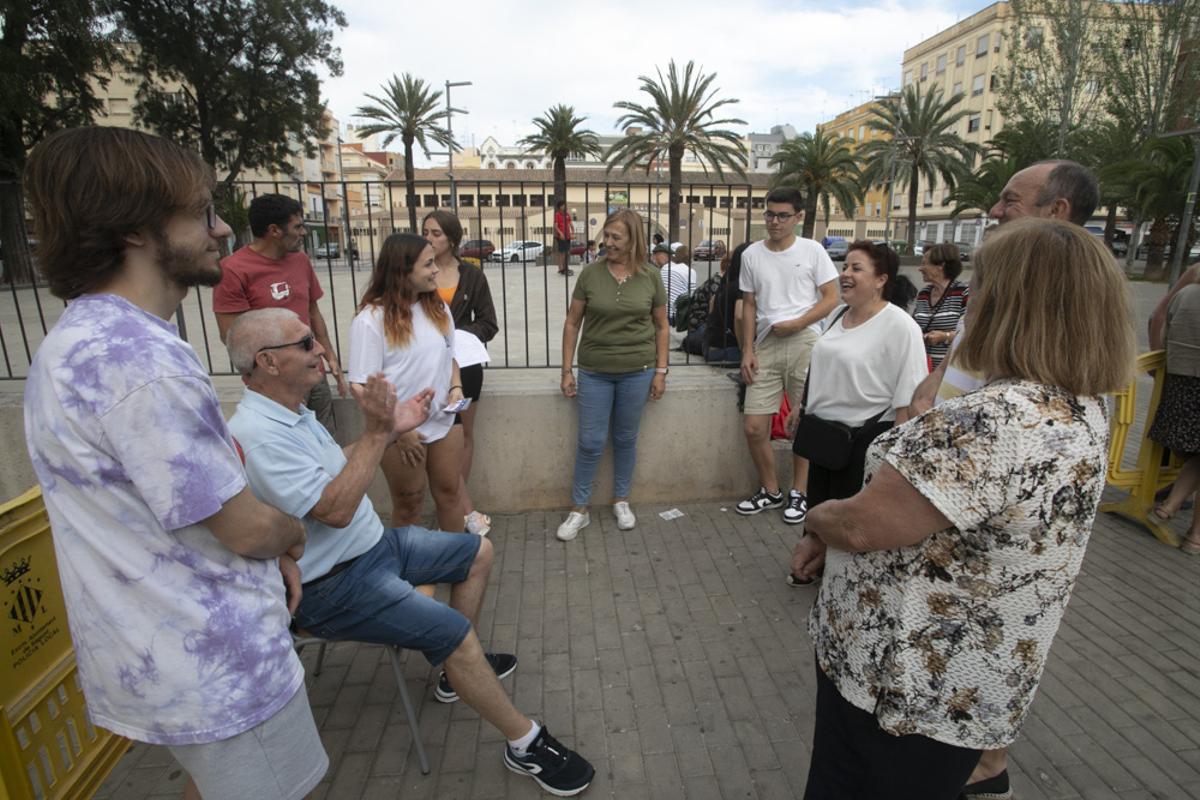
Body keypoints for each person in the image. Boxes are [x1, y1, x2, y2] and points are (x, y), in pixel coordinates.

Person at [22, 126, 322, 800]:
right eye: (199, 212)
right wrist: (293, 535)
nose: (219, 230)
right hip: (216, 665)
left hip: (163, 654)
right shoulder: (139, 360)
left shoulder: (77, 340)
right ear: (134, 230)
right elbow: (245, 528)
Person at [794, 219, 1136, 799]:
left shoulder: (993, 419)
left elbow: (861, 525)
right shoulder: (1081, 407)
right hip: (975, 680)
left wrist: (817, 517)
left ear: (1008, 304)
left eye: (983, 289)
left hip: (904, 687)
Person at [225, 309, 595, 797]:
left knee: (477, 552)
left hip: (373, 549)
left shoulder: (290, 413)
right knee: (458, 634)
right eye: (307, 341)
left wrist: (394, 427)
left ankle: (452, 671)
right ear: (269, 362)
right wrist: (379, 434)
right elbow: (334, 509)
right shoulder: (260, 433)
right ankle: (523, 741)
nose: (321, 349)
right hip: (333, 584)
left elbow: (335, 468)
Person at [903, 159, 1099, 800]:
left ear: (1057, 211)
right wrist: (927, 397)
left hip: (988, 495)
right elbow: (961, 356)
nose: (995, 210)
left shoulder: (1067, 296)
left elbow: (1038, 423)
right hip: (950, 469)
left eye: (1011, 200)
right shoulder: (1003, 278)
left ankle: (986, 766)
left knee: (995, 629)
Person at [783, 241, 925, 586]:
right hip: (823, 437)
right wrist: (801, 405)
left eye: (856, 268)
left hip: (864, 440)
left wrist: (895, 457)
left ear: (881, 279)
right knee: (818, 512)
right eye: (844, 267)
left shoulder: (900, 326)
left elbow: (910, 396)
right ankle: (813, 563)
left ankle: (845, 581)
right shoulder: (836, 315)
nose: (844, 274)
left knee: (849, 520)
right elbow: (821, 365)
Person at [557, 209, 669, 541]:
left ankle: (621, 499)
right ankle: (579, 509)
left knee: (624, 439)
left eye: (615, 237)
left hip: (638, 371)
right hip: (594, 371)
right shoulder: (590, 274)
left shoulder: (651, 276)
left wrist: (661, 371)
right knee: (590, 442)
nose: (607, 242)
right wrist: (566, 370)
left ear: (633, 240)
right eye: (606, 235)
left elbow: (662, 326)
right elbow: (572, 323)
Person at [348, 233, 466, 533]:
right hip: (401, 431)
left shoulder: (438, 308)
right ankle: (410, 573)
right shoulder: (371, 319)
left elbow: (451, 357)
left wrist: (456, 387)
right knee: (409, 502)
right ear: (403, 270)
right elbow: (360, 387)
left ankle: (456, 564)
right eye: (428, 264)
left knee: (451, 494)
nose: (436, 270)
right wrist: (399, 429)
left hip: (444, 418)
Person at [737, 187, 840, 525]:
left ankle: (801, 492)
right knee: (754, 426)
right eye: (769, 214)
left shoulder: (812, 251)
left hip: (806, 341)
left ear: (798, 217)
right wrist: (747, 350)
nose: (774, 221)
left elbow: (831, 297)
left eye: (782, 215)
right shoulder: (752, 254)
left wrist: (798, 322)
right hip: (765, 345)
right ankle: (770, 490)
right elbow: (748, 304)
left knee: (804, 425)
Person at [213, 192, 347, 431]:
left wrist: (331, 358)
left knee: (327, 441)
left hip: (313, 372)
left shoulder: (300, 261)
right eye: (298, 227)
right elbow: (232, 336)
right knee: (292, 447)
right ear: (274, 230)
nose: (303, 233)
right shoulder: (233, 270)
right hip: (276, 384)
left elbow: (313, 313)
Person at [424, 210, 499, 536]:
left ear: (452, 240)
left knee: (462, 437)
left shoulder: (472, 276)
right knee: (437, 438)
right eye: (425, 232)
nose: (429, 238)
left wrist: (459, 334)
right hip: (426, 370)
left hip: (465, 370)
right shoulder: (414, 273)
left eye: (436, 233)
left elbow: (489, 323)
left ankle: (454, 504)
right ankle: (464, 510)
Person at [1148, 282, 1200, 554]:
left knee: (1195, 456)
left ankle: (1169, 507)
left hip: (1179, 386)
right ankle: (1195, 536)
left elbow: (1162, 324)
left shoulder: (1186, 293)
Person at [911, 243, 969, 369]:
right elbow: (913, 326)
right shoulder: (924, 294)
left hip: (949, 371)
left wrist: (945, 337)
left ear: (940, 266)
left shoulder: (963, 292)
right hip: (922, 367)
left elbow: (972, 333)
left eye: (925, 263)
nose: (920, 268)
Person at [704, 242, 749, 364]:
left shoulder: (728, 280)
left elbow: (712, 302)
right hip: (727, 350)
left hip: (711, 346)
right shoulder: (742, 285)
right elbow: (739, 316)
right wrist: (745, 350)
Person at [661, 245, 698, 327]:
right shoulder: (689, 271)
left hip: (661, 313)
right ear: (689, 258)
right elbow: (691, 296)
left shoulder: (665, 268)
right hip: (676, 316)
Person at [554, 199, 574, 277]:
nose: (565, 206)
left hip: (567, 236)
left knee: (567, 252)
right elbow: (555, 226)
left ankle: (565, 267)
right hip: (561, 237)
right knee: (562, 252)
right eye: (563, 205)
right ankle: (561, 268)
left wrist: (572, 232)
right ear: (560, 207)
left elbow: (570, 223)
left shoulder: (567, 214)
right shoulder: (557, 215)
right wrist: (560, 233)